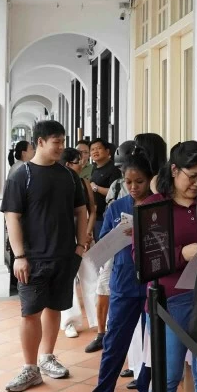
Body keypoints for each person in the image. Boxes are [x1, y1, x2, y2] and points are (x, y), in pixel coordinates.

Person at [122, 141, 197, 392]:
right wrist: (182, 253)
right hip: (169, 301)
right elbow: (142, 260)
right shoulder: (154, 207)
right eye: (192, 175)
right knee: (167, 374)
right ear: (174, 171)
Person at [1, 120, 90, 392]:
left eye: (63, 141)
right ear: (40, 142)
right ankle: (30, 368)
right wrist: (19, 256)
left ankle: (47, 357)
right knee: (30, 312)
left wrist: (80, 245)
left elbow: (81, 211)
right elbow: (12, 216)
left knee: (54, 307)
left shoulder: (68, 176)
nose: (61, 147)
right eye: (56, 142)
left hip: (64, 255)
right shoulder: (21, 175)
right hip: (32, 259)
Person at [82, 148, 157, 392]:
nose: (134, 187)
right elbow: (103, 244)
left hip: (152, 284)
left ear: (150, 179)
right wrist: (115, 238)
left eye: (139, 181)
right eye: (129, 182)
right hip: (124, 284)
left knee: (151, 346)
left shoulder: (159, 206)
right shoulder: (116, 207)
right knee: (114, 344)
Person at [85, 138, 121, 353]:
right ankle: (101, 332)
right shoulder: (93, 169)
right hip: (102, 223)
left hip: (113, 227)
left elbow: (108, 195)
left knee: (106, 278)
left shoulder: (114, 173)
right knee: (102, 274)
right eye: (92, 149)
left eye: (99, 148)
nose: (95, 152)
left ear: (109, 152)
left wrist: (95, 188)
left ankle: (108, 330)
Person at [60, 147, 98, 339]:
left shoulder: (83, 182)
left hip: (86, 237)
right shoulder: (58, 183)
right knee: (68, 281)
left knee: (92, 276)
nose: (82, 164)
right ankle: (70, 322)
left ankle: (98, 319)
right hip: (65, 237)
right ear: (68, 164)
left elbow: (92, 210)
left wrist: (87, 233)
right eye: (78, 162)